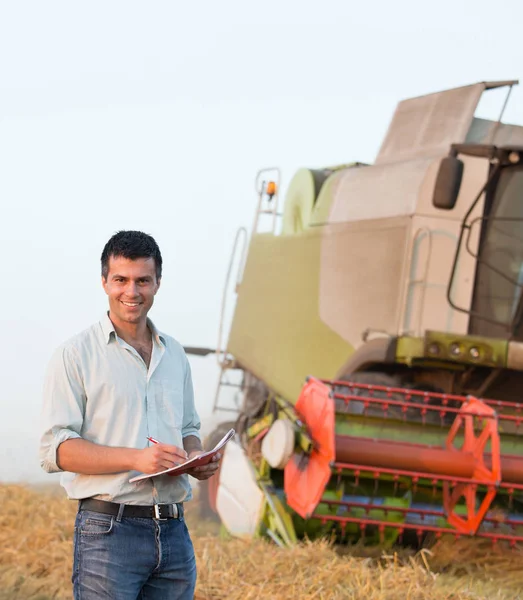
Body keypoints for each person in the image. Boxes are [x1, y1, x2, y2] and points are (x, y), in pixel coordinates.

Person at [39, 230, 219, 600]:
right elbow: (55, 450)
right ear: (104, 281)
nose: (131, 292)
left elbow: (187, 427)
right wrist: (137, 458)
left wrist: (196, 455)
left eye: (143, 281)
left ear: (158, 284)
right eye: (120, 279)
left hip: (173, 531)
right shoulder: (75, 355)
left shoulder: (176, 355)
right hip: (108, 532)